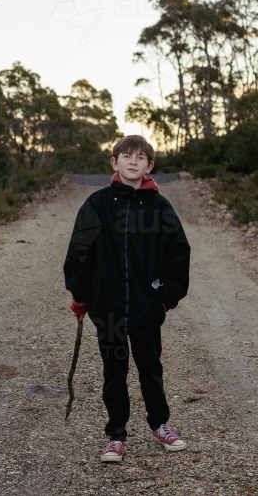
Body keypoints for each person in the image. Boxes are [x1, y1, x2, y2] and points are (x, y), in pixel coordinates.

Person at [63, 135, 191, 463]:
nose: (133, 162)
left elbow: (179, 255)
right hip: (107, 309)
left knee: (150, 368)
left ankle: (160, 424)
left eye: (140, 158)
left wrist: (163, 299)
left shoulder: (160, 208)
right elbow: (79, 252)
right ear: (114, 162)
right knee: (114, 370)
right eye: (126, 156)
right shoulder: (97, 204)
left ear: (150, 166)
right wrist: (81, 296)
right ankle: (116, 435)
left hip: (147, 311)